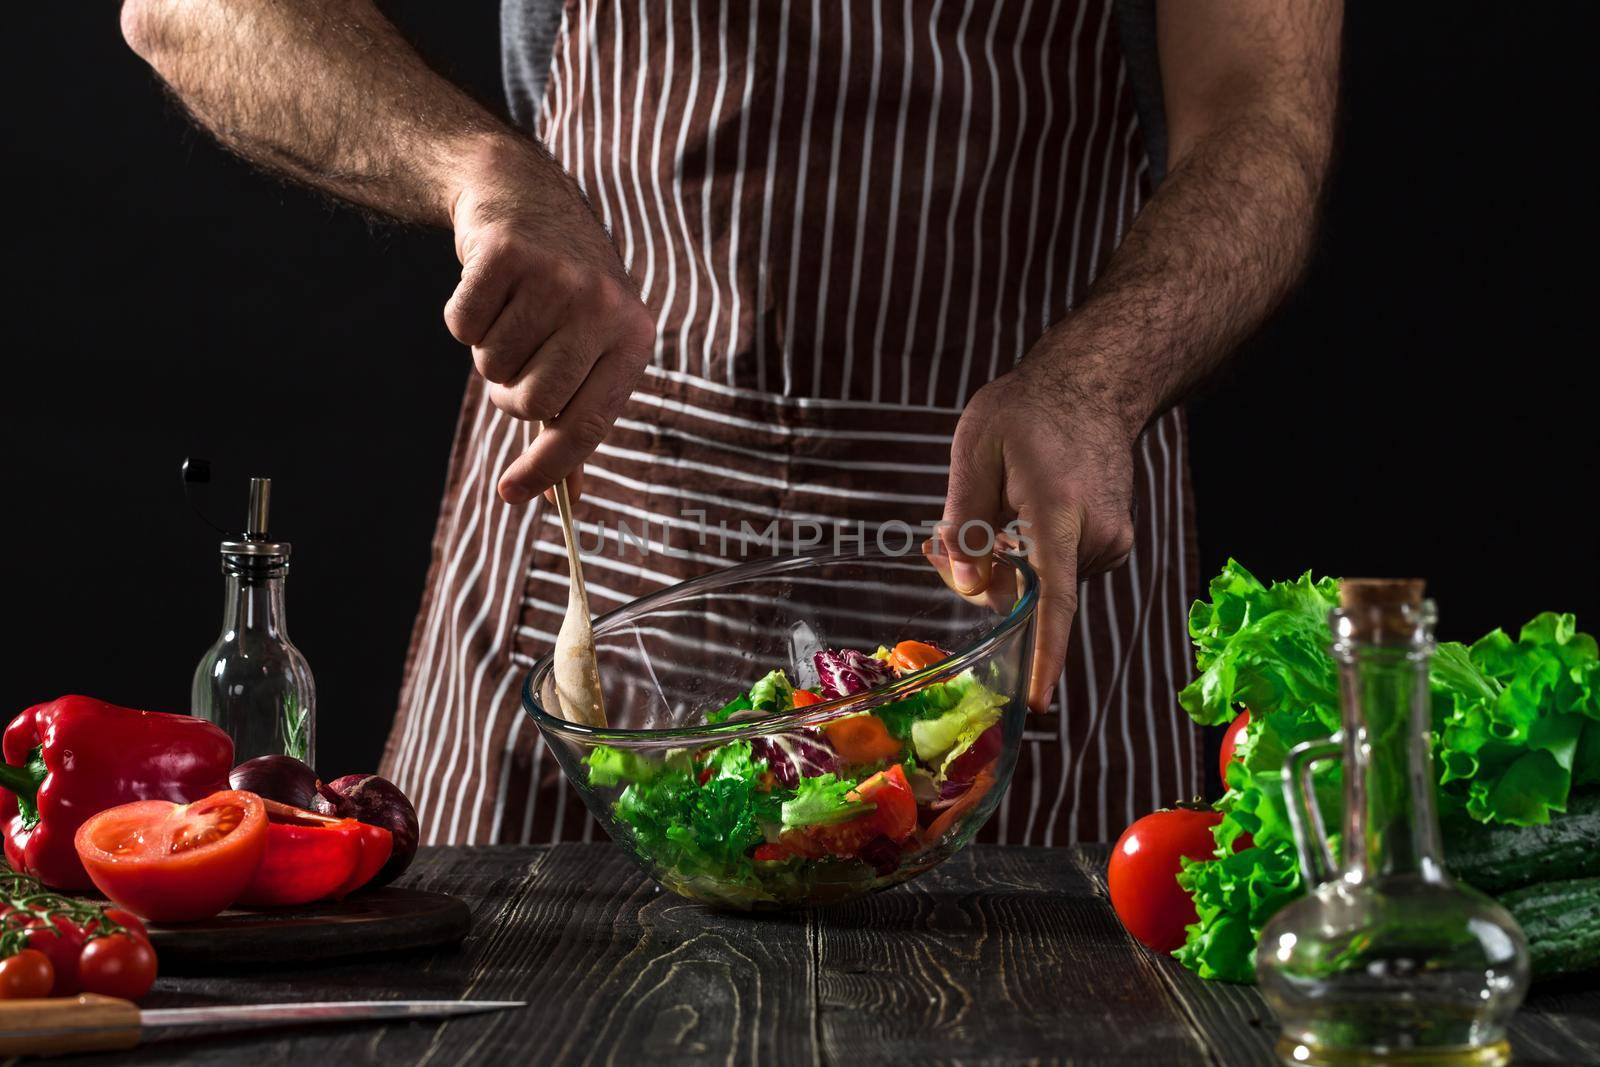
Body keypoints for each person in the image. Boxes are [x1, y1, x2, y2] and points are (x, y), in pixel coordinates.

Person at [119, 0, 1339, 846]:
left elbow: (1265, 124)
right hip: (593, 543)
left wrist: (1099, 380)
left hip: (1020, 552)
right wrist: (470, 167)